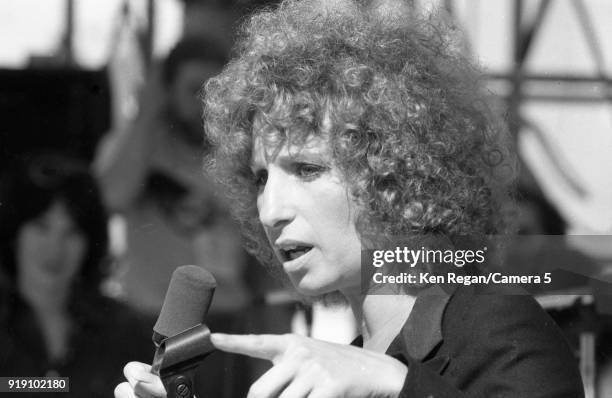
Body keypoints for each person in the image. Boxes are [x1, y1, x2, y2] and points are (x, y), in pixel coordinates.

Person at [115, 0, 585, 397]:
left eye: (308, 169)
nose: (271, 210)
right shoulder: (333, 367)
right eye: (260, 179)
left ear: (397, 174)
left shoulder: (496, 327)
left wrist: (398, 384)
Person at [95, 36, 249, 317]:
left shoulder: (242, 152)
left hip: (226, 316)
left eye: (217, 91)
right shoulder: (139, 146)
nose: (206, 104)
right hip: (151, 317)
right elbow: (110, 197)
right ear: (166, 91)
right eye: (193, 90)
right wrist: (145, 113)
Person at [0, 153, 151, 398]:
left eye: (71, 232)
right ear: (14, 234)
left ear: (89, 244)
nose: (55, 248)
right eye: (41, 226)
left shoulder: (123, 328)